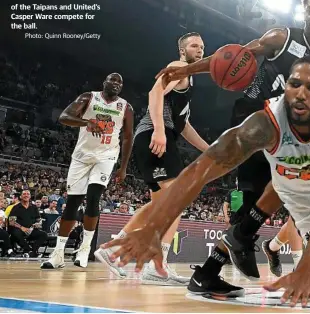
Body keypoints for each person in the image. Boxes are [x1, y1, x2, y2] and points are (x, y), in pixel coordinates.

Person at [103, 56, 310, 306]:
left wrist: (308, 270)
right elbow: (200, 170)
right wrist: (154, 226)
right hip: (303, 200)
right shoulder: (263, 123)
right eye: (295, 84)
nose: (300, 93)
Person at [155, 0, 310, 294]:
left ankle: (216, 267)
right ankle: (223, 261)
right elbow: (233, 56)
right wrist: (188, 69)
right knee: (263, 197)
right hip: (255, 120)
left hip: (289, 134)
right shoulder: (282, 38)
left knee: (276, 193)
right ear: (303, 12)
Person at [94, 32, 210, 285]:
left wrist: (209, 149)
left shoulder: (186, 80)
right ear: (182, 50)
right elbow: (154, 93)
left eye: (202, 46)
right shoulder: (178, 67)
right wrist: (158, 129)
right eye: (193, 46)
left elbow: (184, 125)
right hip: (154, 136)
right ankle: (151, 263)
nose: (199, 50)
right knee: (176, 200)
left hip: (156, 136)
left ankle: (123, 253)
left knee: (163, 206)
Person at [41, 73, 133, 269]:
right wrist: (86, 122)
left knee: (93, 198)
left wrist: (123, 167)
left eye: (119, 82)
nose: (116, 84)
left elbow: (127, 137)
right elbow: (64, 117)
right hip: (82, 156)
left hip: (106, 156)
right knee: (73, 202)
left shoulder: (126, 107)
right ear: (104, 83)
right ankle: (58, 254)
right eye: (112, 80)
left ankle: (84, 250)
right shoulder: (88, 97)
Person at [8, 190, 48, 257]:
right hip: (19, 229)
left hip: (31, 229)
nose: (26, 195)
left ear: (30, 196)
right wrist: (22, 228)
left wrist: (38, 224)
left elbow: (38, 219)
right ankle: (28, 250)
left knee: (43, 234)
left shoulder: (34, 207)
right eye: (24, 194)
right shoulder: (15, 207)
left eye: (27, 194)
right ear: (21, 196)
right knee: (16, 233)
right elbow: (11, 222)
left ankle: (33, 251)